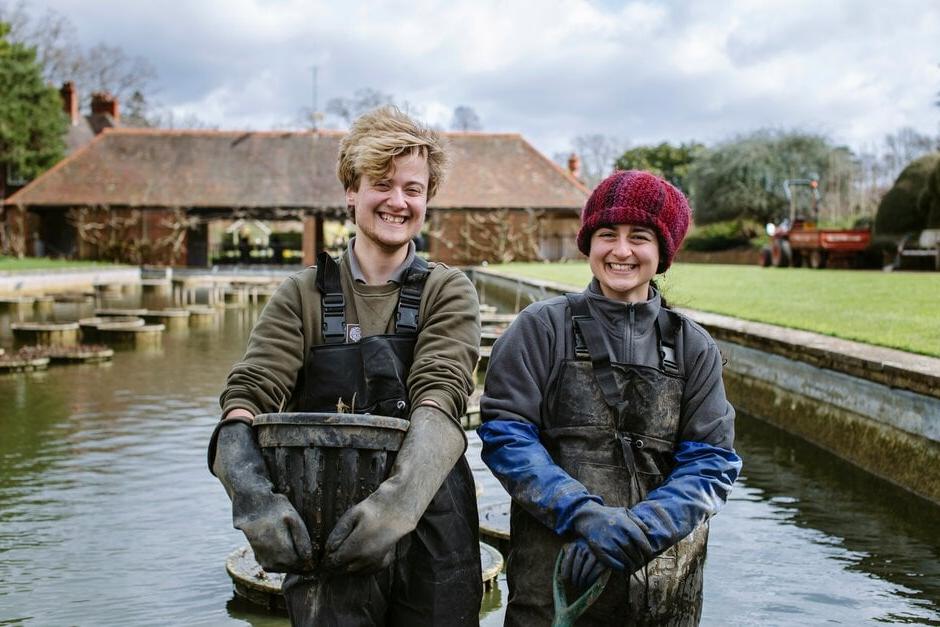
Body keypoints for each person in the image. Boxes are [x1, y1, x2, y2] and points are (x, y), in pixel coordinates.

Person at [208, 106, 483, 626]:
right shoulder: (301, 295)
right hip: (325, 528)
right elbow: (250, 392)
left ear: (428, 199)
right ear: (351, 191)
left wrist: (395, 510)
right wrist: (252, 496)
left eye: (414, 188)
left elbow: (440, 395)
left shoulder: (448, 291)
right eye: (382, 183)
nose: (398, 201)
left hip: (432, 524)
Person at [478, 170, 742, 625]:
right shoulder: (540, 329)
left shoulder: (693, 348)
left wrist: (640, 529)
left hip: (664, 592)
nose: (621, 251)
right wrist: (583, 515)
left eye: (639, 237)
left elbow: (711, 462)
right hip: (554, 582)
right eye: (607, 235)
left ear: (662, 253)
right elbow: (507, 436)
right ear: (589, 243)